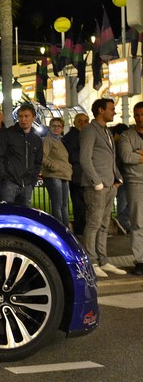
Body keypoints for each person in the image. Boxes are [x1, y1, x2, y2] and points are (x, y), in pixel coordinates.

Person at [80, 98, 126, 278]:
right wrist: (96, 182)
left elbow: (110, 158)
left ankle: (103, 260)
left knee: (104, 224)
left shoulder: (106, 131)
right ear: (101, 110)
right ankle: (91, 261)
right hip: (97, 186)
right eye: (111, 109)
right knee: (94, 223)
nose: (114, 112)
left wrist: (118, 177)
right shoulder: (89, 130)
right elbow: (85, 159)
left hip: (110, 184)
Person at [0, 103, 43, 206]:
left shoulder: (36, 140)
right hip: (8, 183)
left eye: (27, 116)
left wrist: (32, 180)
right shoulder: (6, 134)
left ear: (33, 118)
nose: (23, 119)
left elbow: (38, 162)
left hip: (27, 184)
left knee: (23, 214)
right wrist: (3, 178)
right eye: (20, 116)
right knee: (6, 213)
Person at [118, 102, 143, 275]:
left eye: (142, 115)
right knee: (138, 222)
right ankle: (140, 260)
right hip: (136, 182)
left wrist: (139, 154)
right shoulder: (127, 135)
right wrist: (134, 155)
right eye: (137, 115)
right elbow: (127, 157)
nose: (140, 119)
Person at [41, 117, 72, 226]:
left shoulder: (61, 141)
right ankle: (59, 228)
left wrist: (68, 168)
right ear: (50, 127)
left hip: (64, 175)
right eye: (54, 126)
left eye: (59, 126)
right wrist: (53, 166)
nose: (56, 128)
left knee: (64, 205)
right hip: (54, 175)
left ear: (62, 128)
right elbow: (42, 156)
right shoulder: (48, 140)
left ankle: (65, 228)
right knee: (57, 204)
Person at [63, 112, 89, 235]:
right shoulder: (71, 137)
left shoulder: (83, 135)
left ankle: (82, 228)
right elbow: (72, 156)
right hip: (77, 174)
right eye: (80, 121)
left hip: (82, 174)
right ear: (74, 122)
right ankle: (81, 229)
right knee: (79, 204)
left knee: (83, 203)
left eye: (85, 121)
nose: (83, 124)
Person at [111, 123, 131, 234]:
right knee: (123, 200)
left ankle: (122, 222)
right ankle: (122, 222)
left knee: (126, 201)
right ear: (117, 134)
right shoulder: (115, 146)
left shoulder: (117, 145)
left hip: (123, 175)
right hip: (121, 176)